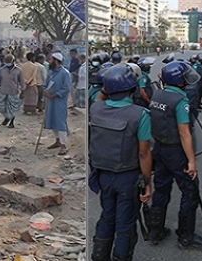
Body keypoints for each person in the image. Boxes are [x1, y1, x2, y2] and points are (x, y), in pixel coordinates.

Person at [88, 64, 152, 261]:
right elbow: (143, 153)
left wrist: (106, 89)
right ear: (131, 89)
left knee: (107, 217)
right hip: (128, 177)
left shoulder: (96, 108)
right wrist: (147, 183)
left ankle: (99, 256)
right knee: (125, 224)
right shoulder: (140, 114)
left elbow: (101, 97)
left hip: (103, 176)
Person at [146, 61, 202, 250]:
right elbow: (184, 133)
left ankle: (155, 232)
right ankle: (185, 237)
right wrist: (191, 161)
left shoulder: (157, 94)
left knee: (161, 190)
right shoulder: (181, 101)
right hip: (176, 152)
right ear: (180, 80)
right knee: (190, 192)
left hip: (159, 150)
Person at [44, 53, 71, 155]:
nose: (49, 62)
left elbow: (67, 88)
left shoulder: (65, 73)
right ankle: (57, 140)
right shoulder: (51, 73)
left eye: (51, 60)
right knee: (52, 120)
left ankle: (64, 145)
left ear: (56, 61)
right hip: (50, 101)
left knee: (60, 122)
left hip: (59, 102)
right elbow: (45, 84)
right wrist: (45, 91)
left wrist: (55, 95)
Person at [0, 54, 24, 128]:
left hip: (14, 91)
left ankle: (11, 122)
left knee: (13, 108)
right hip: (3, 91)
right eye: (6, 61)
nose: (7, 63)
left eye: (9, 61)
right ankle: (7, 118)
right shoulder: (1, 70)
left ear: (13, 61)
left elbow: (22, 82)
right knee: (1, 106)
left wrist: (23, 91)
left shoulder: (18, 70)